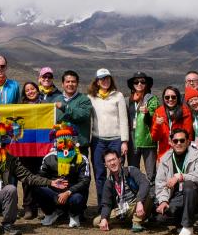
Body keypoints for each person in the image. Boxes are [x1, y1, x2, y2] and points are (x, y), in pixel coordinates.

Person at [154, 128, 198, 235]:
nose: (179, 143)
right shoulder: (165, 159)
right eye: (175, 141)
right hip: (176, 196)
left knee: (189, 185)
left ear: (188, 141)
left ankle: (188, 226)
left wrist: (181, 177)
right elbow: (160, 183)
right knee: (160, 218)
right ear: (171, 142)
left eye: (182, 140)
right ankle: (180, 223)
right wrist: (163, 200)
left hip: (194, 196)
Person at [36, 124, 91, 228]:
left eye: (67, 140)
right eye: (61, 141)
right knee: (37, 187)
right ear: (56, 142)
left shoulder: (81, 158)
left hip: (72, 194)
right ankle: (50, 213)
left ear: (73, 141)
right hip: (54, 194)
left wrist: (69, 192)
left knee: (78, 197)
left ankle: (74, 215)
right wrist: (51, 182)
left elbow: (85, 180)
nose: (64, 144)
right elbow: (40, 177)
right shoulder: (49, 158)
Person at [88, 68, 129, 205]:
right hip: (98, 141)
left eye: (107, 78)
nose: (105, 81)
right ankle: (103, 206)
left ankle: (120, 204)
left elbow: (124, 119)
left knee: (117, 174)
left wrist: (124, 141)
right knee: (99, 175)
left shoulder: (118, 96)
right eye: (102, 79)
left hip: (116, 140)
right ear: (97, 82)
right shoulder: (91, 98)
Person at [95, 149, 151, 232]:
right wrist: (104, 219)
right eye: (109, 161)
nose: (112, 163)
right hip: (123, 209)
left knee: (148, 196)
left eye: (114, 159)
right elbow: (106, 204)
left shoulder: (131, 171)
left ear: (119, 160)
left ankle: (136, 222)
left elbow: (145, 183)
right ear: (105, 165)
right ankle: (125, 222)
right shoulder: (108, 182)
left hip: (137, 205)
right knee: (97, 221)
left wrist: (139, 202)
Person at [126, 71, 160, 185]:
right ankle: (135, 196)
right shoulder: (128, 100)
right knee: (133, 170)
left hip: (148, 140)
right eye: (136, 82)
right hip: (132, 140)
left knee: (151, 172)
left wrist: (148, 113)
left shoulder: (152, 99)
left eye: (142, 81)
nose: (139, 84)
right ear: (132, 84)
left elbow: (156, 115)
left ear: (147, 84)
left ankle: (152, 197)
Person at [19, 79, 45, 219]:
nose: (30, 91)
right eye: (27, 90)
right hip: (26, 147)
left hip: (42, 146)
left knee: (41, 175)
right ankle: (28, 207)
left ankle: (41, 206)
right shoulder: (20, 108)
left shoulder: (45, 106)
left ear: (37, 89)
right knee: (27, 177)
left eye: (32, 88)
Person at [55, 70, 92, 160]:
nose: (70, 84)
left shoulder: (84, 100)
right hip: (61, 145)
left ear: (77, 83)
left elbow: (83, 115)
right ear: (63, 84)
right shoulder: (56, 100)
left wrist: (65, 108)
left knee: (81, 172)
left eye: (73, 81)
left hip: (79, 146)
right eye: (67, 81)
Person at [151, 86, 192, 160]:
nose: (170, 99)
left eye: (173, 97)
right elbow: (155, 137)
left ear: (177, 98)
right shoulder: (158, 112)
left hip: (182, 153)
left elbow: (188, 135)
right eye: (167, 97)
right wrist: (156, 125)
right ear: (163, 98)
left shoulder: (185, 112)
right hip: (164, 154)